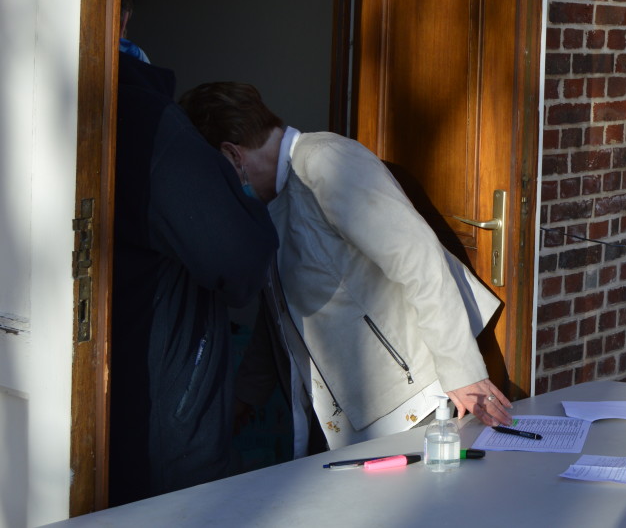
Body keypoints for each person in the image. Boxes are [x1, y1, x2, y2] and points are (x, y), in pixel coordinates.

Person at [177, 81, 513, 456]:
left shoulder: (326, 162)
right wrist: (243, 399)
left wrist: (463, 372)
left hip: (415, 404)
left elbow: (420, 261)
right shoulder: (273, 200)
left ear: (231, 154)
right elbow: (278, 317)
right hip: (352, 419)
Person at [110, 0, 279, 504]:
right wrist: (237, 192)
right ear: (123, 17)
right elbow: (241, 262)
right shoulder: (148, 120)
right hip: (162, 431)